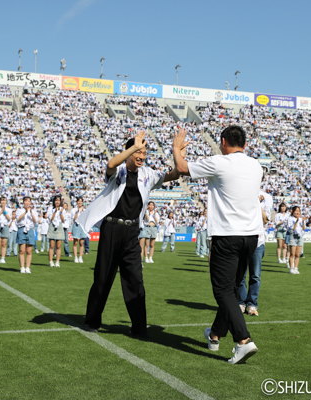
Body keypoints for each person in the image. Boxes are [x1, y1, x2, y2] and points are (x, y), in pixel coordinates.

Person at [76, 130, 183, 339]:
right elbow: (110, 165)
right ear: (130, 151)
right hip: (111, 229)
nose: (142, 155)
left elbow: (174, 174)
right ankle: (91, 321)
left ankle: (139, 327)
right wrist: (132, 148)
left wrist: (178, 153)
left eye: (145, 152)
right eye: (138, 151)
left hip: (132, 231)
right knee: (102, 277)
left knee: (135, 280)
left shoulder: (148, 174)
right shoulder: (120, 171)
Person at [173, 125, 262, 365]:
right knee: (232, 290)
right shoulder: (256, 165)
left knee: (222, 291)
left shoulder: (220, 162)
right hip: (251, 236)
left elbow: (182, 168)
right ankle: (214, 335)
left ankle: (243, 340)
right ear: (244, 143)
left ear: (223, 142)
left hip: (227, 235)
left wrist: (176, 148)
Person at [238, 188, 272, 316]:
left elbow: (265, 220)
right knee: (240, 275)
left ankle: (252, 304)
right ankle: (240, 303)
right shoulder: (241, 191)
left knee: (255, 276)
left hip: (258, 241)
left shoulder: (267, 197)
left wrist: (257, 204)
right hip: (242, 239)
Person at [16, 196, 38, 274]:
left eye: (29, 201)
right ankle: (22, 267)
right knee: (22, 250)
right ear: (23, 202)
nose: (27, 203)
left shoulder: (34, 211)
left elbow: (36, 221)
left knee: (29, 251)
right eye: (26, 201)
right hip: (22, 229)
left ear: (30, 202)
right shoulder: (19, 210)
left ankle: (28, 267)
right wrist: (25, 212)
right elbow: (18, 219)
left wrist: (31, 213)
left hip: (30, 230)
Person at [0, 196, 12, 264]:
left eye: (4, 200)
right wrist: (1, 211)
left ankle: (3, 258)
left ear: (6, 201)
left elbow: (9, 218)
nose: (3, 202)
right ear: (0, 201)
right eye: (2, 200)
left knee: (4, 244)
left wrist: (5, 211)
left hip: (5, 226)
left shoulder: (9, 209)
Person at [47, 195, 65, 267]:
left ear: (60, 201)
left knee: (58, 246)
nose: (57, 202)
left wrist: (60, 212)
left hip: (59, 226)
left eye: (58, 200)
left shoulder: (62, 209)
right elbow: (50, 219)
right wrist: (55, 211)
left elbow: (63, 220)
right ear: (54, 201)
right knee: (51, 245)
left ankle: (57, 262)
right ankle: (51, 261)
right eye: (56, 200)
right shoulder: (50, 208)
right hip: (52, 226)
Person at [287, 206, 305, 275]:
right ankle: (291, 268)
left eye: (298, 211)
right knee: (292, 254)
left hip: (300, 237)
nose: (297, 212)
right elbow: (292, 229)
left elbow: (303, 228)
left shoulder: (301, 219)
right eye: (296, 211)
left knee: (297, 254)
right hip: (293, 236)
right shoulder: (290, 219)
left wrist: (302, 222)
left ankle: (296, 268)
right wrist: (297, 221)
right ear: (293, 211)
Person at [71, 197, 87, 263]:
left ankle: (80, 257)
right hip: (76, 226)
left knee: (81, 243)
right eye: (78, 201)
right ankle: (75, 257)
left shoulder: (85, 210)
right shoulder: (73, 210)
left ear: (82, 202)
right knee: (75, 243)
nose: (80, 202)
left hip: (82, 226)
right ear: (77, 202)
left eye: (81, 201)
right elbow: (74, 219)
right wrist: (78, 211)